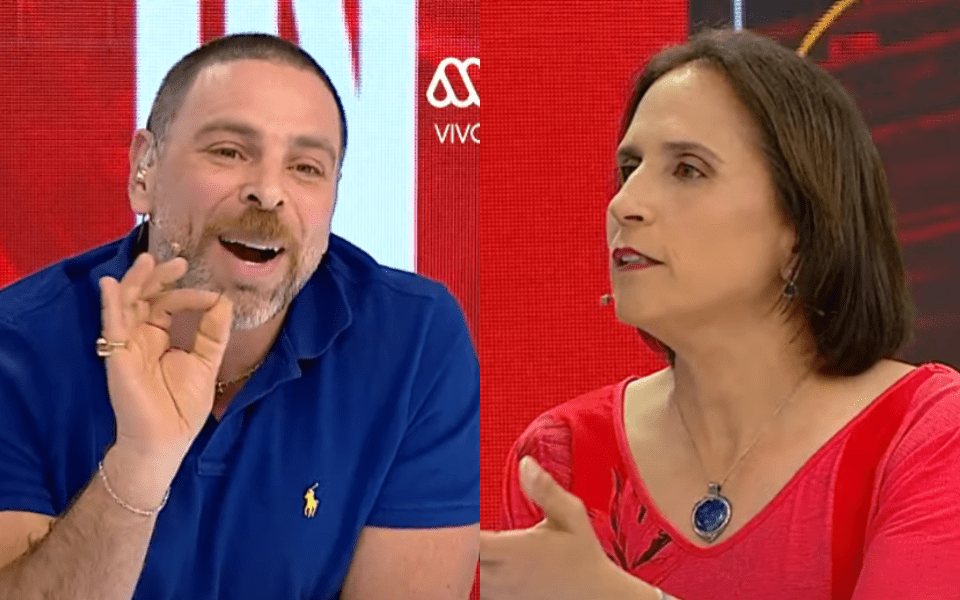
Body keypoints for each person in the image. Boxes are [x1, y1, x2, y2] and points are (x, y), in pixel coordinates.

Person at [478, 28, 960, 600]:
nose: (624, 204)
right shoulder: (562, 455)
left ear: (801, 227)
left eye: (688, 169)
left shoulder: (929, 432)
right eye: (629, 168)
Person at [0, 33, 479, 600]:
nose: (268, 192)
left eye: (306, 167)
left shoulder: (414, 341)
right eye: (229, 152)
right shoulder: (17, 346)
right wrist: (141, 463)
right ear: (144, 171)